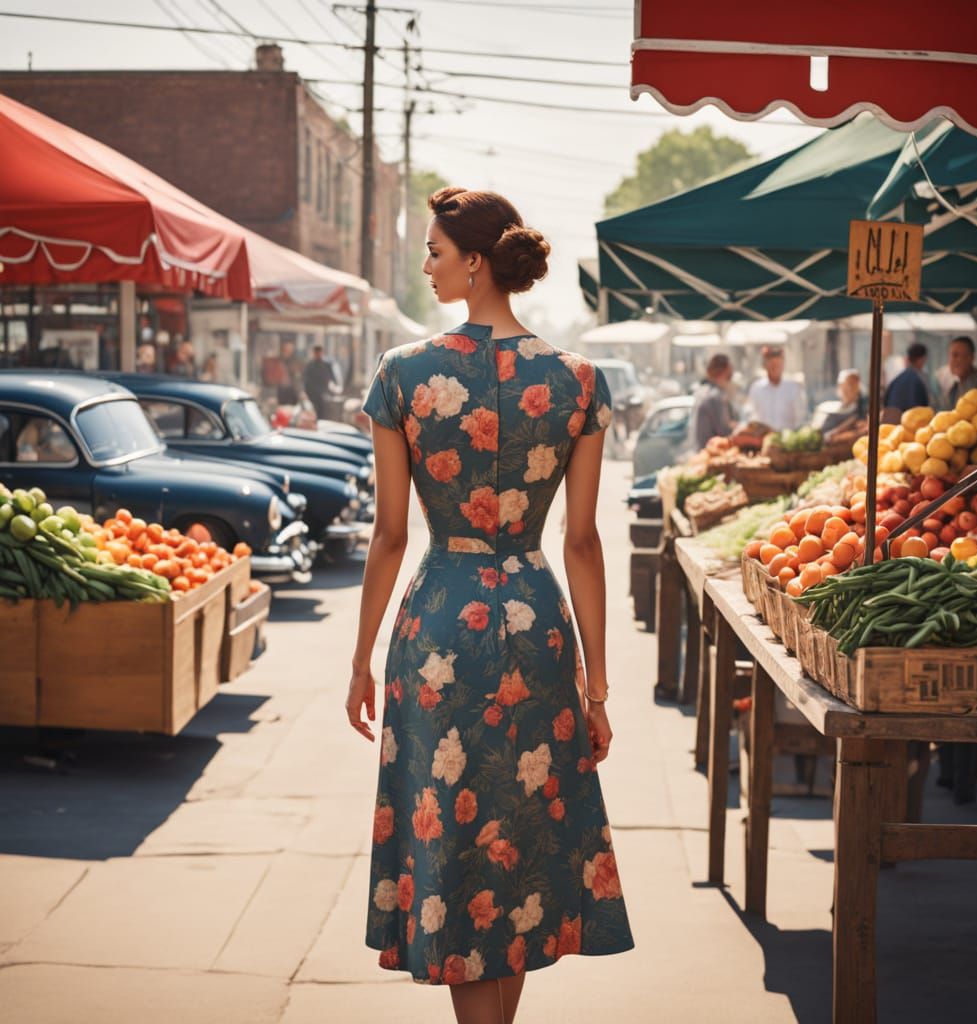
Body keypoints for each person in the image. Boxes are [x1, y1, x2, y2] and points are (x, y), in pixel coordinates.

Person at [349, 186, 634, 1020]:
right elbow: (582, 541)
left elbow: (391, 537)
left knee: (459, 852)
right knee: (514, 855)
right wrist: (598, 688)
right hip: (539, 627)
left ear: (475, 262)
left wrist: (361, 659)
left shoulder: (403, 375)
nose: (428, 265)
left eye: (436, 252)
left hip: (439, 629)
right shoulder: (579, 379)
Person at [745, 345, 806, 430]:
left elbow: (800, 418)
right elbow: (750, 415)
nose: (775, 368)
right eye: (772, 365)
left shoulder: (793, 388)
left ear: (783, 365)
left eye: (778, 365)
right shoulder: (756, 388)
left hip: (787, 439)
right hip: (762, 438)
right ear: (765, 366)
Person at [691, 353, 737, 450]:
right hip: (711, 454)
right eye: (730, 374)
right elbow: (724, 432)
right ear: (725, 372)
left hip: (699, 450)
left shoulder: (701, 391)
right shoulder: (716, 396)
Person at [940, 335, 977, 409]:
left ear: (971, 358)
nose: (954, 360)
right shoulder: (939, 379)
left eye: (957, 355)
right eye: (952, 355)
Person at [883, 342, 931, 412]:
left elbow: (886, 403)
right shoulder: (919, 381)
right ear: (922, 359)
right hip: (913, 421)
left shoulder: (896, 380)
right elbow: (925, 409)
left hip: (891, 421)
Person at [821, 368, 867, 438]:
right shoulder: (833, 409)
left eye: (854, 384)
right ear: (841, 386)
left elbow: (862, 429)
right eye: (848, 384)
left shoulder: (862, 409)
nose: (850, 388)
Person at [302, 344, 337, 418]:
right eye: (316, 353)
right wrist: (305, 392)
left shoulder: (327, 365)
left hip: (324, 394)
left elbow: (332, 379)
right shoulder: (309, 366)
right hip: (312, 395)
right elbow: (306, 380)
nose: (318, 354)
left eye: (319, 352)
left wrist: (333, 388)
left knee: (324, 414)